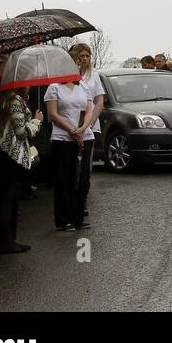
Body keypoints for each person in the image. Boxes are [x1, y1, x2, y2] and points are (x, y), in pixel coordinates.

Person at [0, 87, 40, 254]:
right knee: (9, 199)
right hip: (11, 155)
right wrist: (36, 121)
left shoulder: (0, 99)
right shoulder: (15, 100)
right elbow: (21, 132)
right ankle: (8, 240)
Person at [44, 69, 94, 232]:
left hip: (84, 136)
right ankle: (63, 219)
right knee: (64, 178)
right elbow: (52, 114)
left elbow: (89, 111)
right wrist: (73, 130)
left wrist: (83, 128)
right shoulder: (54, 87)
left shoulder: (83, 87)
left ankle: (78, 217)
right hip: (62, 138)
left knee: (82, 179)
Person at [70, 43, 105, 221]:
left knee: (85, 169)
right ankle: (71, 202)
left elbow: (99, 102)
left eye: (87, 56)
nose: (85, 59)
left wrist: (89, 124)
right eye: (81, 56)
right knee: (73, 168)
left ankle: (82, 202)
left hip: (90, 126)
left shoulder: (94, 76)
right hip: (72, 127)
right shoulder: (69, 75)